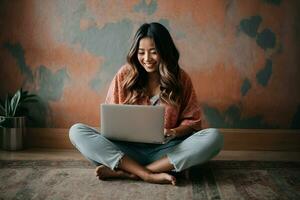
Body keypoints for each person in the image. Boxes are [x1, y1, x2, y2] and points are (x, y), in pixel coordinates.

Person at [69, 22, 224, 185]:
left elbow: (192, 121)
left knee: (214, 137)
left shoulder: (180, 78)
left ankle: (131, 173)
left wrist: (174, 131)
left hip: (165, 151)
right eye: (141, 52)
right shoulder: (124, 75)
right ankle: (150, 173)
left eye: (153, 52)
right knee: (77, 131)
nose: (147, 59)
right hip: (127, 151)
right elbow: (110, 118)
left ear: (164, 51)